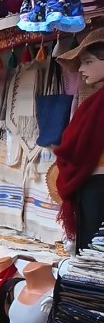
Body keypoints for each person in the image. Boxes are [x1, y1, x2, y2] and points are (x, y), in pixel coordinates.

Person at [53, 30, 104, 252]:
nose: (81, 69)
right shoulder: (95, 102)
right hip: (91, 186)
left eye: (88, 61)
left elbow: (77, 148)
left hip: (98, 188)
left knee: (94, 256)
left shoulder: (98, 104)